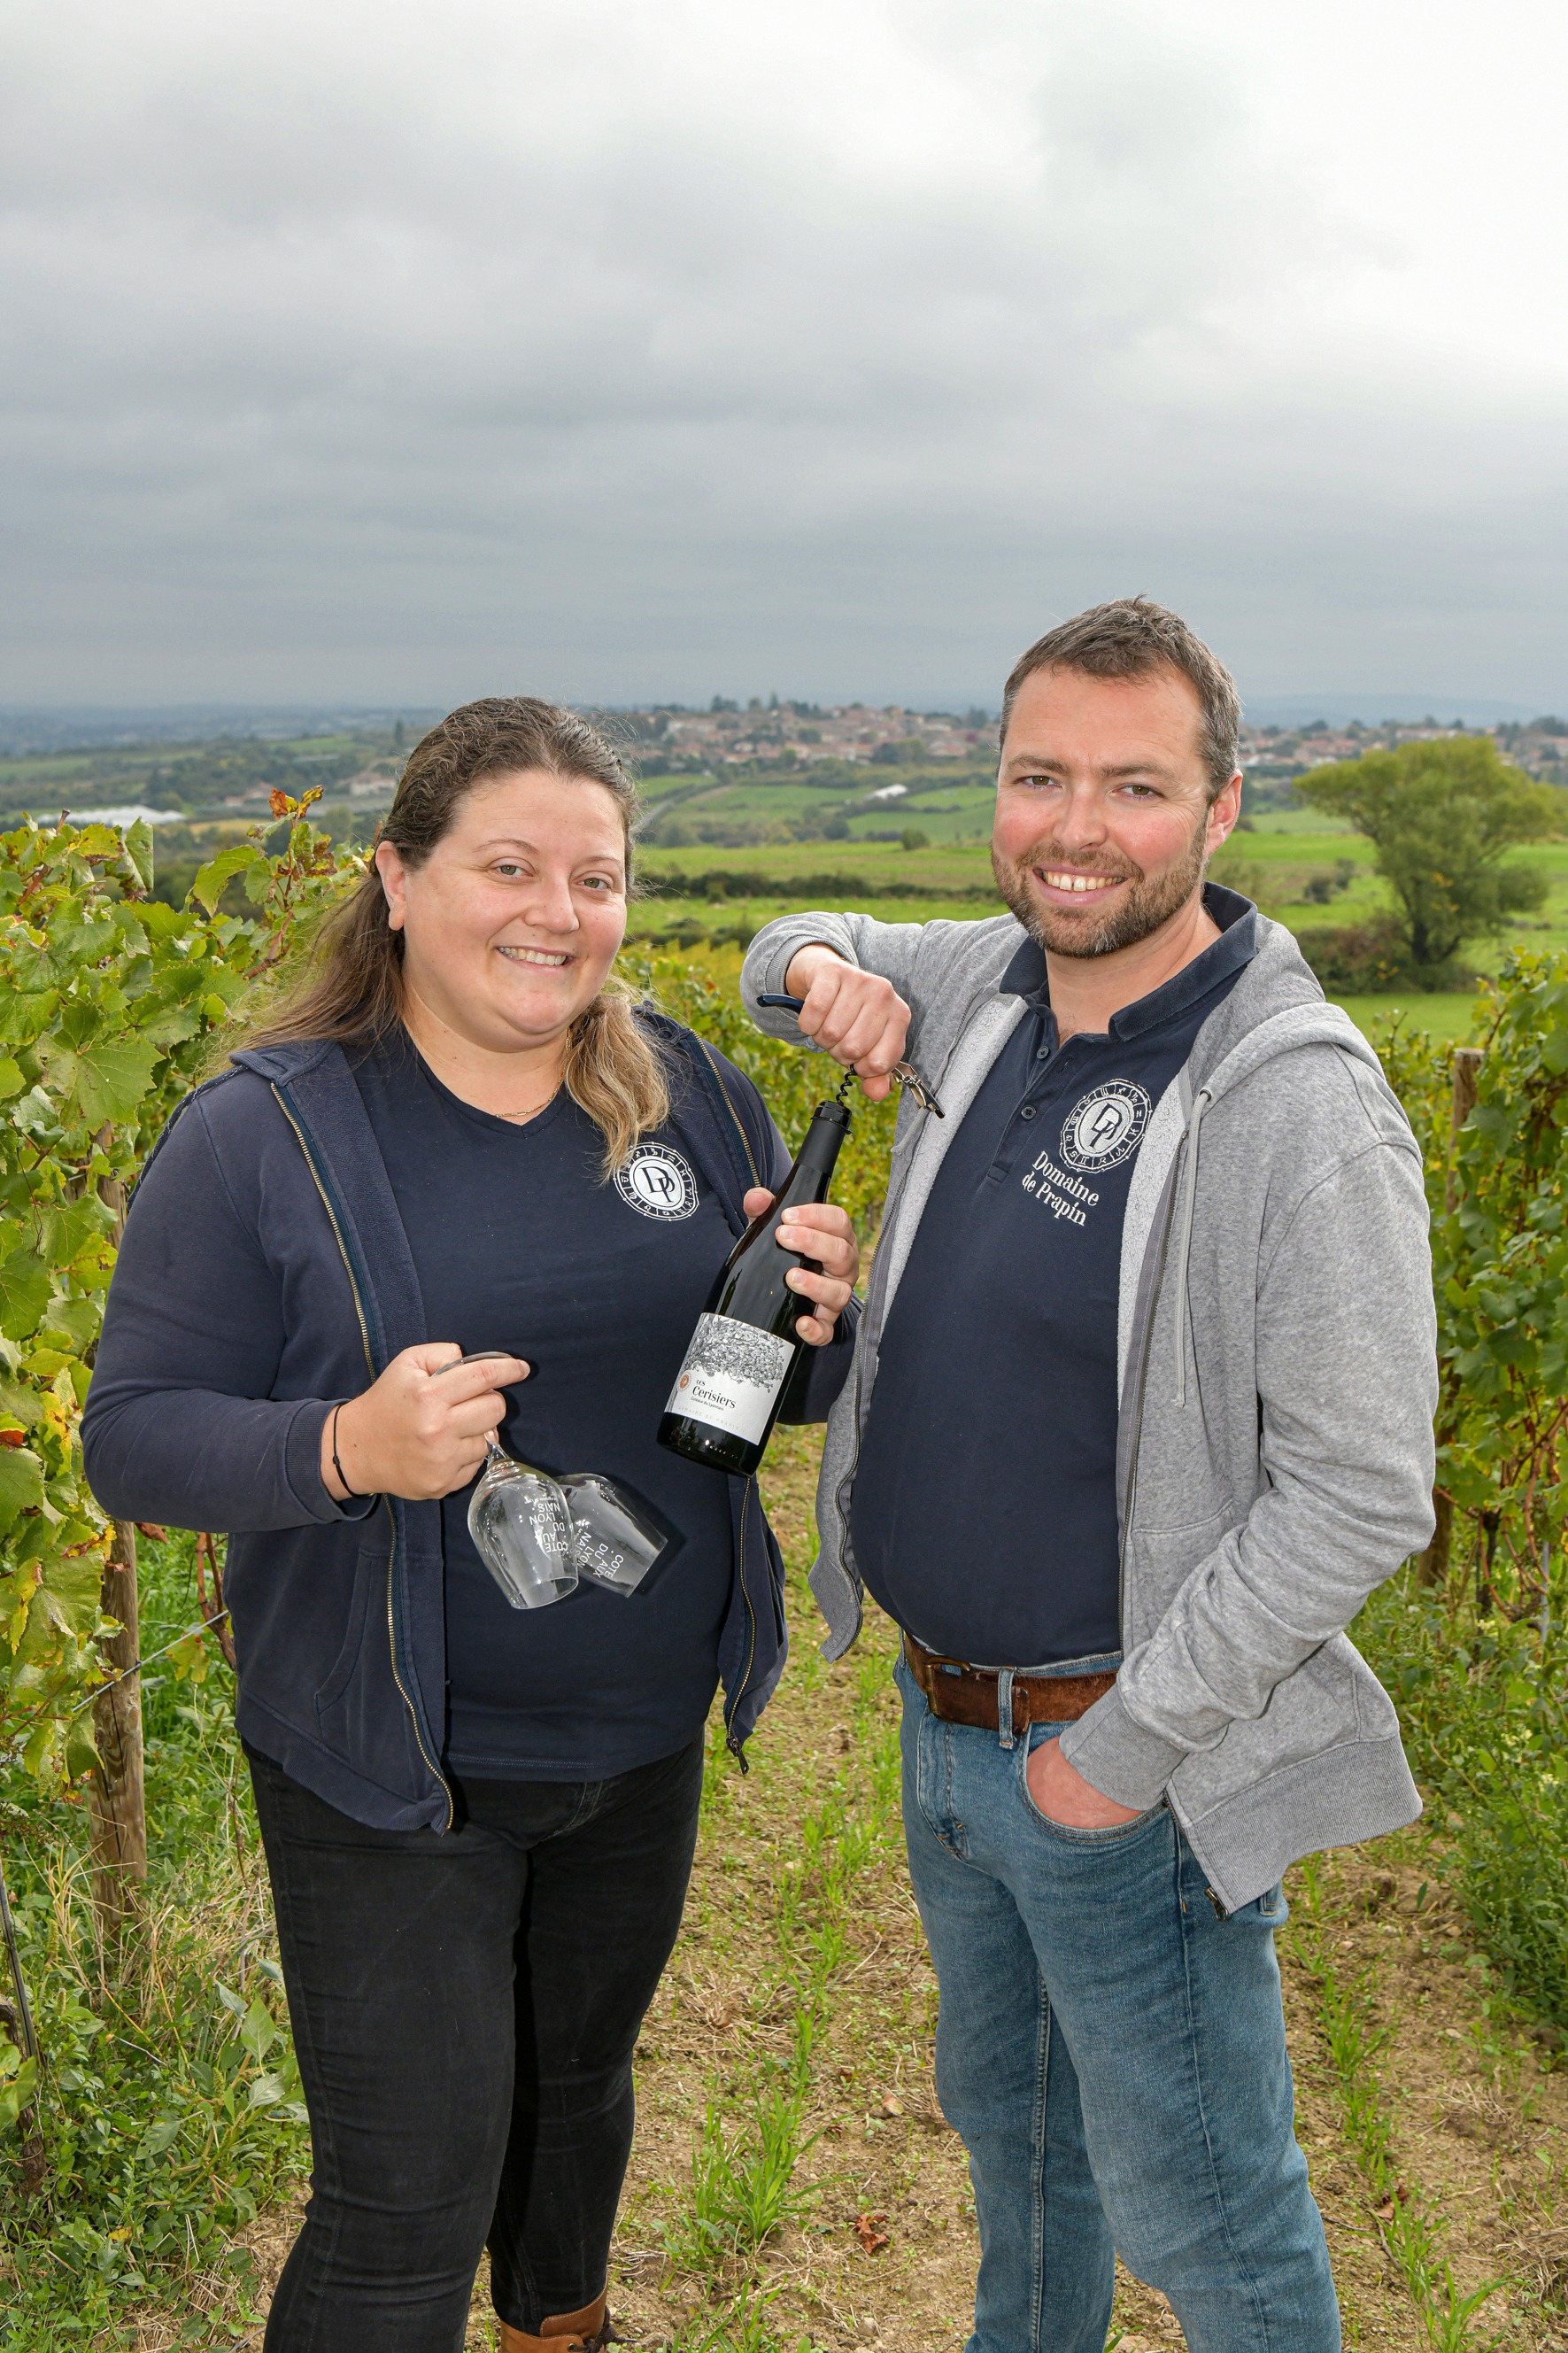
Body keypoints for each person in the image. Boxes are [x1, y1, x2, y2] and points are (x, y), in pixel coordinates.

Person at [82, 698, 860, 2353]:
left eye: (597, 875)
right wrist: (348, 1448)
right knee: (403, 2210)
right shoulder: (265, 1133)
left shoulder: (692, 1098)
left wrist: (820, 1326)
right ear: (398, 880)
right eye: (509, 864)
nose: (557, 912)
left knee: (576, 2109)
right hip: (391, 1768)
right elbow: (131, 1443)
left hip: (638, 1745)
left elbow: (766, 1396)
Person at [742, 599, 1436, 2353]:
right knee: (1023, 2151)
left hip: (1114, 1766)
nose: (1074, 826)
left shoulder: (1295, 1101)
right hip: (941, 1728)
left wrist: (1111, 1765)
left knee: (1210, 2221)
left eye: (1133, 786)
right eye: (1037, 775)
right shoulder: (981, 984)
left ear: (1216, 814)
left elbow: (1360, 1494)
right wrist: (824, 978)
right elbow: (781, 942)